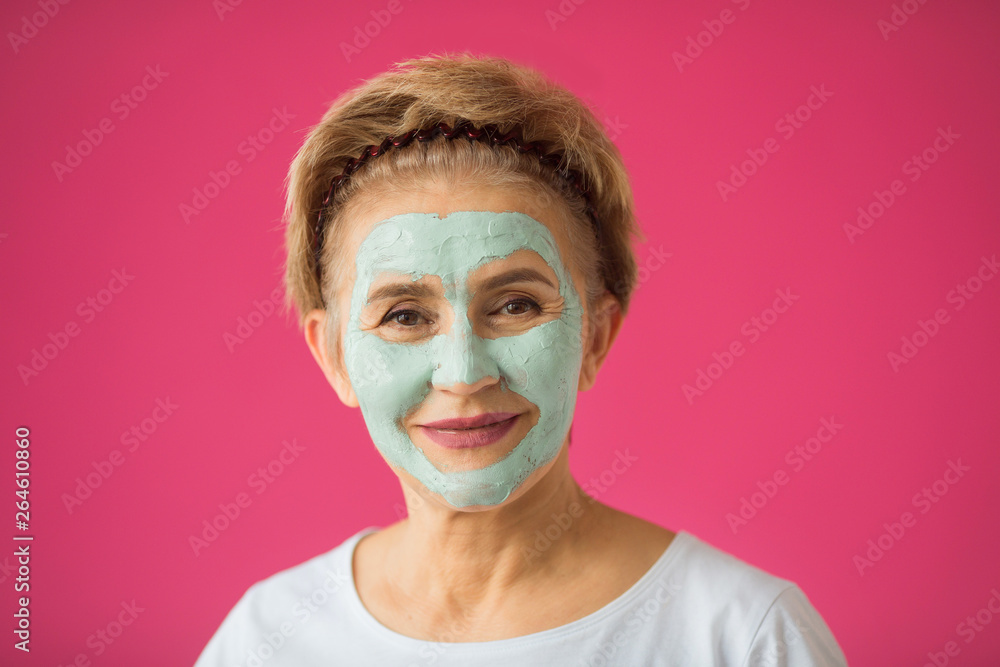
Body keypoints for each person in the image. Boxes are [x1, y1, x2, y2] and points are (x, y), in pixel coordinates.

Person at [194, 52, 848, 666]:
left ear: (594, 337)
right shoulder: (266, 637)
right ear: (334, 353)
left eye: (514, 305)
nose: (463, 373)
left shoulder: (743, 636)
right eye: (404, 315)